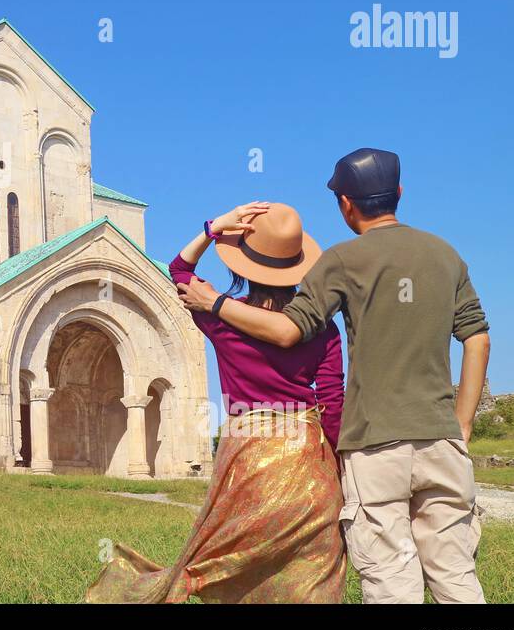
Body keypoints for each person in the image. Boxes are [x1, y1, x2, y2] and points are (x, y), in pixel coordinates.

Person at [177, 149, 491, 604]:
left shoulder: (342, 262)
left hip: (373, 444)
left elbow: (285, 331)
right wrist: (462, 425)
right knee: (455, 573)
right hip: (441, 439)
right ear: (399, 194)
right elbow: (477, 339)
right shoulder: (446, 255)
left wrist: (216, 293)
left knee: (389, 578)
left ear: (346, 204)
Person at [88, 201, 346, 604]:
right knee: (310, 574)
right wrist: (341, 466)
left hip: (248, 459)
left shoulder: (221, 315)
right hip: (308, 462)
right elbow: (332, 401)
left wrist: (213, 229)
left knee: (236, 562)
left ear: (243, 264)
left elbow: (178, 273)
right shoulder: (323, 328)